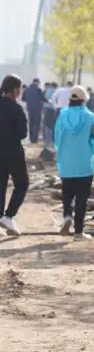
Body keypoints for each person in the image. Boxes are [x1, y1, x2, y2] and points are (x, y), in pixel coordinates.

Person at [55, 85, 94, 240]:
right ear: (84, 100)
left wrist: (63, 151)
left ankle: (67, 216)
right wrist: (90, 146)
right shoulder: (90, 117)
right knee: (82, 198)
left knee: (67, 194)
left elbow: (57, 138)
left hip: (67, 162)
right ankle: (78, 232)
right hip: (84, 163)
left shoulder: (62, 116)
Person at [0, 74, 29, 236]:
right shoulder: (15, 108)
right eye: (19, 88)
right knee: (22, 184)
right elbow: (22, 133)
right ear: (15, 89)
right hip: (13, 153)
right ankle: (9, 216)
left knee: (0, 185)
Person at [22, 78, 47, 144]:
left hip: (30, 108)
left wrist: (29, 100)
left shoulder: (26, 89)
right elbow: (42, 98)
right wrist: (48, 101)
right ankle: (35, 139)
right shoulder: (38, 89)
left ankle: (31, 139)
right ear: (37, 82)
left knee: (31, 124)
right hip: (37, 109)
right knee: (37, 124)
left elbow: (23, 99)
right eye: (39, 83)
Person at [43, 82, 58, 147]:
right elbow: (53, 101)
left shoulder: (48, 90)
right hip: (51, 109)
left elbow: (45, 99)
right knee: (51, 125)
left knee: (47, 125)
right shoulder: (54, 91)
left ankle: (47, 141)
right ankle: (50, 141)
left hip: (46, 109)